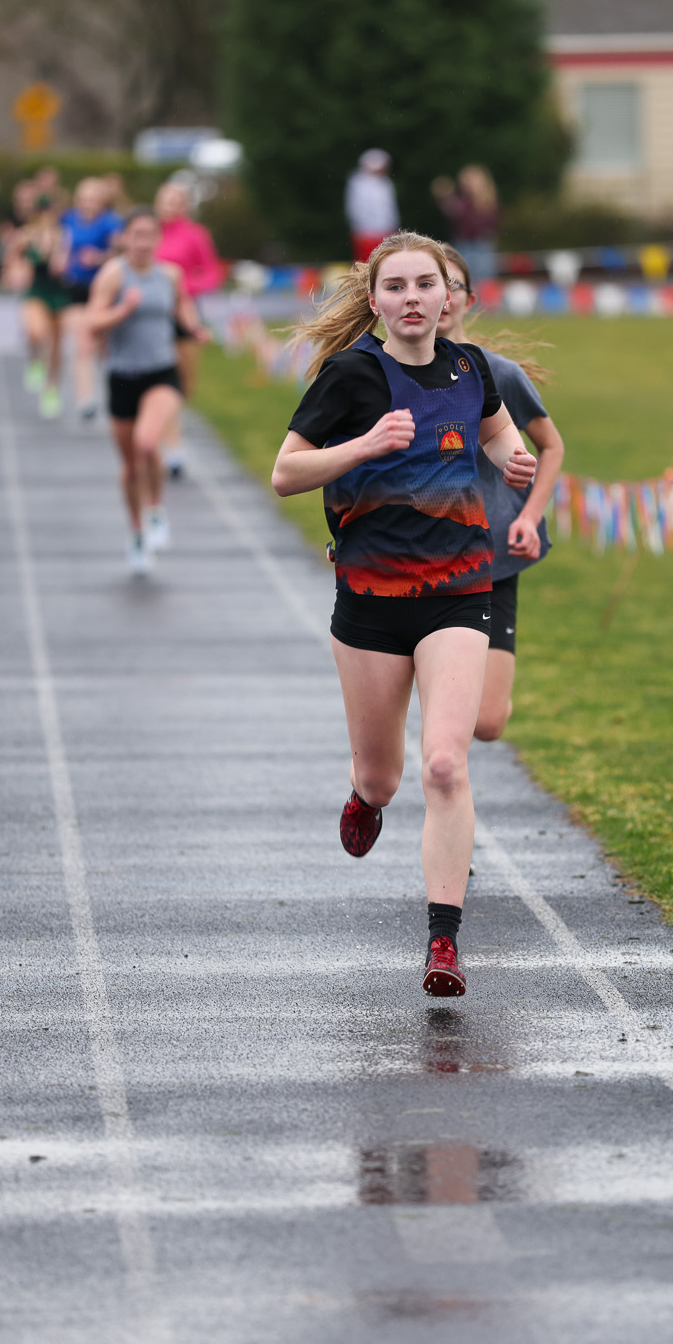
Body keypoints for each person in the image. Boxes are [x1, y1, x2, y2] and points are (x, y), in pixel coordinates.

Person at [270, 233, 537, 998]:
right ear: (376, 299)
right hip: (370, 602)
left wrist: (511, 459)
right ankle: (364, 796)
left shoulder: (470, 368)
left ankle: (443, 942)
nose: (413, 298)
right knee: (384, 778)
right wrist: (363, 446)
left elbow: (495, 432)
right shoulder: (350, 375)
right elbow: (286, 472)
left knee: (446, 763)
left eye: (426, 284)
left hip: (459, 593)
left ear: (447, 297)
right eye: (397, 286)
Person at [437, 246, 564, 741]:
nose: (441, 296)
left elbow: (551, 445)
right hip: (415, 558)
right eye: (429, 283)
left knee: (487, 723)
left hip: (491, 557)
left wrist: (529, 517)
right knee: (441, 719)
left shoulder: (501, 374)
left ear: (470, 299)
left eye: (451, 285)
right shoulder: (384, 375)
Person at [81, 209, 211, 575]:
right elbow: (92, 322)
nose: (142, 242)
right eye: (135, 234)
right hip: (122, 377)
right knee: (129, 467)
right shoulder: (113, 275)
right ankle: (137, 532)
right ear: (124, 238)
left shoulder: (169, 275)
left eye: (148, 234)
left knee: (147, 441)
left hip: (161, 371)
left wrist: (194, 328)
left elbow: (182, 306)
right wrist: (123, 310)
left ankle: (155, 509)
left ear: (157, 238)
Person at [153, 178, 226, 480]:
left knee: (184, 386)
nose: (170, 207)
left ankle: (169, 437)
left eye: (176, 201)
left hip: (186, 313)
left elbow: (213, 274)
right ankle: (171, 448)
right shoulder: (147, 233)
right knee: (162, 381)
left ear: (185, 205)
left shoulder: (196, 235)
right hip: (154, 315)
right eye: (166, 200)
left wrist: (184, 286)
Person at [60, 177, 126, 420]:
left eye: (94, 199)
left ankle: (114, 390)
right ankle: (85, 399)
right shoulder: (68, 219)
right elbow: (60, 244)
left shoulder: (111, 222)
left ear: (102, 201)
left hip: (104, 290)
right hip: (75, 288)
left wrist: (99, 258)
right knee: (83, 342)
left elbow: (122, 254)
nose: (88, 204)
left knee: (103, 347)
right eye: (84, 199)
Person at [6, 190, 71, 419]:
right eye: (44, 211)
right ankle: (34, 360)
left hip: (57, 291)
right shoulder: (25, 235)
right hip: (35, 290)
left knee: (56, 344)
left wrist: (58, 258)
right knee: (36, 332)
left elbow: (63, 263)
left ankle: (52, 388)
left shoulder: (62, 235)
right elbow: (12, 259)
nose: (48, 215)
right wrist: (17, 272)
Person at [433, 165, 500, 283]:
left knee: (484, 276)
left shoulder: (487, 201)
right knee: (464, 275)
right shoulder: (462, 200)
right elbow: (453, 213)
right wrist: (446, 198)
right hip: (464, 242)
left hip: (482, 243)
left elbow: (490, 221)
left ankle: (482, 294)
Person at [345, 149, 400, 263]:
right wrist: (363, 229)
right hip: (367, 233)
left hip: (386, 231)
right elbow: (357, 209)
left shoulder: (385, 182)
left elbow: (389, 209)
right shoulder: (359, 183)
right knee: (367, 262)